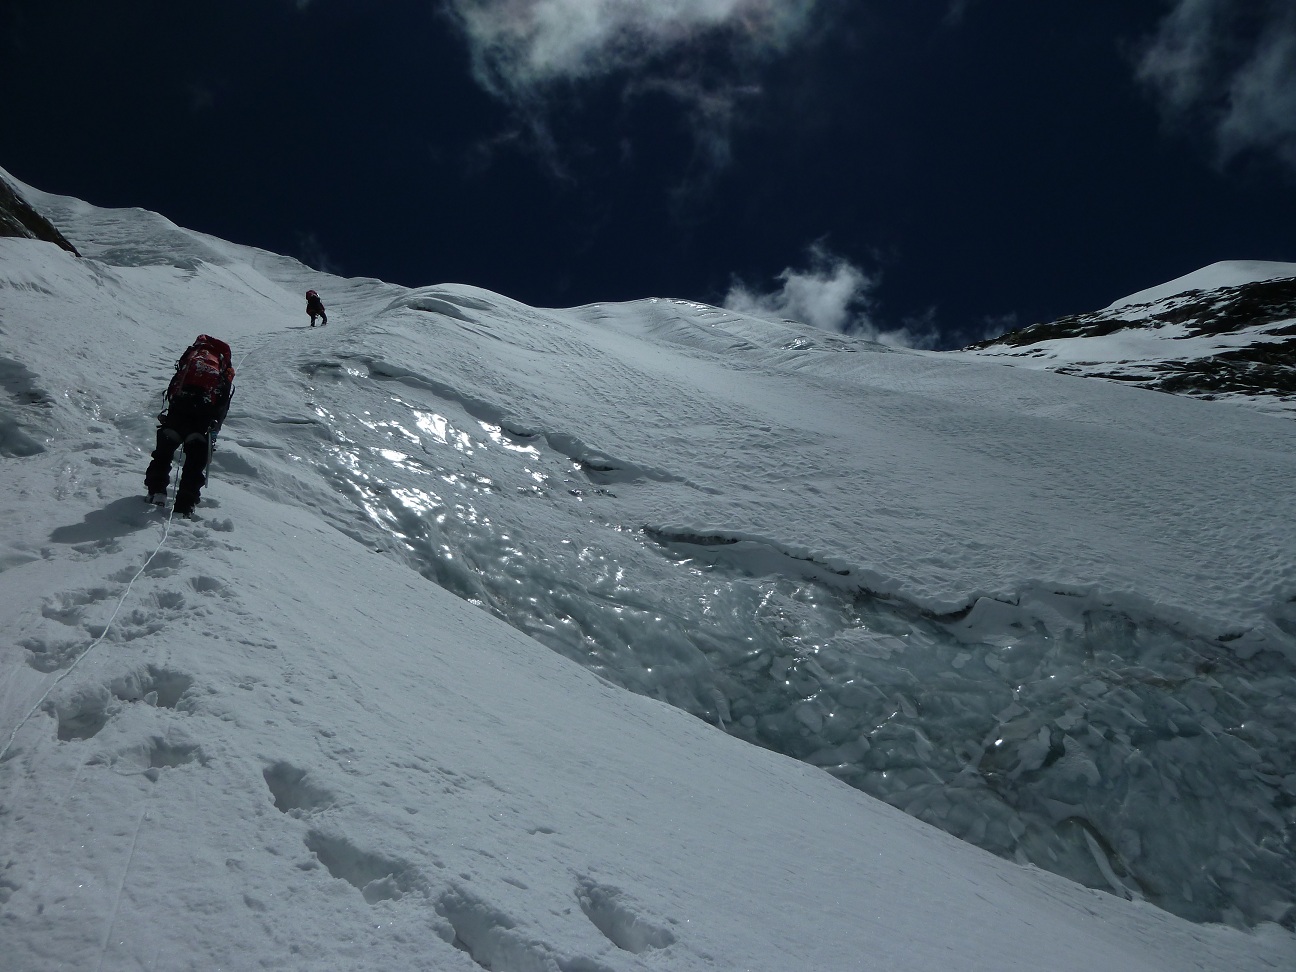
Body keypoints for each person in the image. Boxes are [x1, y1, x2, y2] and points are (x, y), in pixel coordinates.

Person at [144, 335, 235, 517]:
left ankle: (157, 492)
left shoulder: (192, 358)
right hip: (202, 421)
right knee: (194, 463)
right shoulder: (223, 367)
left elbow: (173, 387)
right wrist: (214, 429)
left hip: (177, 413)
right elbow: (222, 402)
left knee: (163, 455)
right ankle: (184, 505)